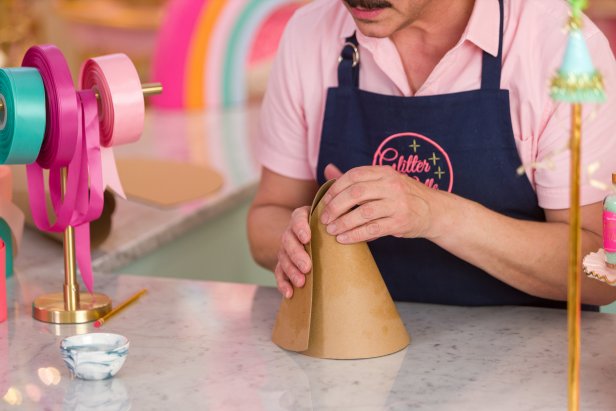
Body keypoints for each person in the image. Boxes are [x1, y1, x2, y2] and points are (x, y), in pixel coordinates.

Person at [247, 0, 616, 308]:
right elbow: (266, 218)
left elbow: (602, 276)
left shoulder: (560, 47)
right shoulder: (309, 34)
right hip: (354, 360)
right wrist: (295, 241)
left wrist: (436, 214)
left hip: (528, 369)